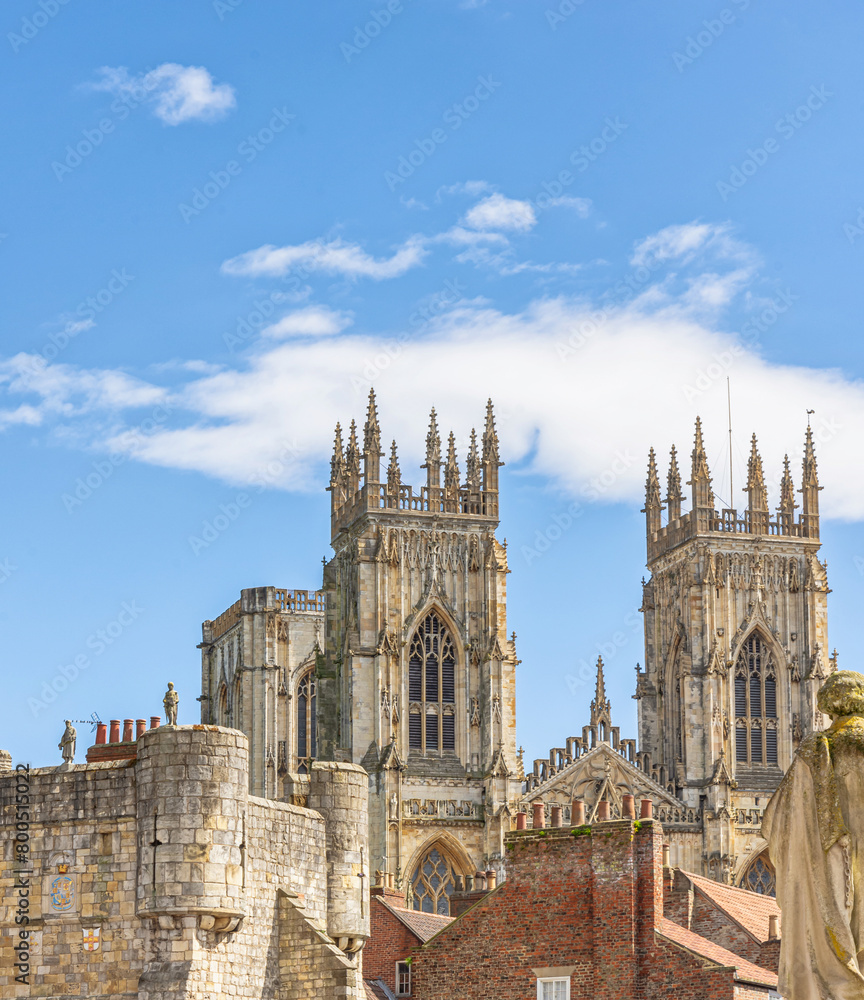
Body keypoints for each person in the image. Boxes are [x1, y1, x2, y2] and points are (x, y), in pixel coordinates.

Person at [762, 670, 864, 999]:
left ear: (828, 705)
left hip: (832, 863)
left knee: (836, 919)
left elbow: (780, 821)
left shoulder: (816, 750)